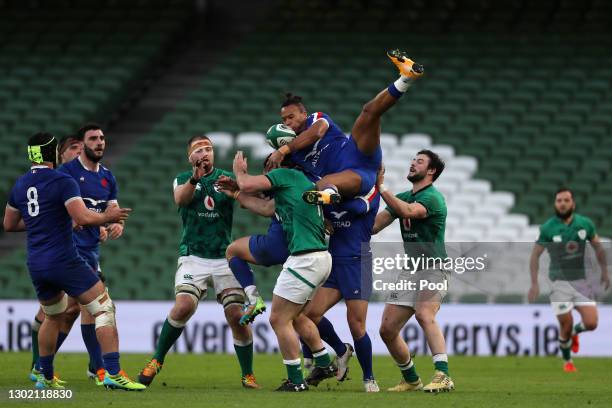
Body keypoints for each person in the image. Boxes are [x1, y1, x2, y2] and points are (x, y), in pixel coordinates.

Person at [3, 132, 142, 390]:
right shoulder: (62, 180)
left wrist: (41, 222)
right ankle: (111, 372)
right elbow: (85, 218)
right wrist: (108, 217)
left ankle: (44, 376)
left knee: (53, 316)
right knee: (103, 307)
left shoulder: (21, 184)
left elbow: (9, 224)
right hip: (64, 259)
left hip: (36, 262)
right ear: (52, 153)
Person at [138, 135, 258, 389]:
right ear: (190, 157)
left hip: (224, 257)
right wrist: (195, 177)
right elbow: (181, 199)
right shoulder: (183, 179)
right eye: (198, 150)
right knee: (182, 307)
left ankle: (248, 375)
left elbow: (250, 202)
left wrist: (239, 187)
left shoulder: (226, 178)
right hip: (194, 257)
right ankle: (157, 360)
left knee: (236, 316)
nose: (204, 153)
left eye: (208, 149)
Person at [233, 150, 337, 391]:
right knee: (297, 316)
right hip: (320, 257)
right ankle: (323, 362)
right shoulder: (298, 184)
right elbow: (264, 206)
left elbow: (248, 183)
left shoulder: (286, 175)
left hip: (305, 258)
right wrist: (237, 193)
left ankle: (296, 380)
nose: (267, 174)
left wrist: (239, 171)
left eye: (268, 167)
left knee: (279, 319)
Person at [268, 50, 423, 205]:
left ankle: (406, 77)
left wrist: (283, 150)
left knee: (369, 112)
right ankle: (329, 196)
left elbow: (317, 132)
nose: (287, 122)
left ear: (303, 114)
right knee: (321, 184)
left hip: (356, 150)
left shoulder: (316, 119)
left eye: (291, 117)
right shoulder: (294, 156)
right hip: (355, 175)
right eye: (284, 120)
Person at [372, 150, 454, 393]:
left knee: (424, 314)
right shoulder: (403, 197)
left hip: (434, 268)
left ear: (431, 171)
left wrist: (381, 187)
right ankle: (411, 379)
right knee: (387, 329)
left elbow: (408, 211)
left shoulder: (433, 198)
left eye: (419, 161)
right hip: (411, 270)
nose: (412, 164)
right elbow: (374, 227)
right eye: (413, 160)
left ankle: (444, 375)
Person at [58, 124, 124, 384]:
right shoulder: (67, 174)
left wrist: (115, 224)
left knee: (71, 310)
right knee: (94, 306)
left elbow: (113, 211)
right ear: (84, 144)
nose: (99, 142)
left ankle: (43, 366)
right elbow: (58, 210)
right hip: (69, 250)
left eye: (102, 138)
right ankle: (102, 370)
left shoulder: (108, 177)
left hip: (91, 251)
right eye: (93, 139)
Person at [301, 186, 381, 392]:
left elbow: (356, 207)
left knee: (356, 325)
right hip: (334, 264)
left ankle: (369, 378)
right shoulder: (330, 198)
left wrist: (330, 200)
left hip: (357, 264)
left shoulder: (370, 193)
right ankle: (341, 349)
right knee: (309, 314)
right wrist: (321, 218)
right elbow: (311, 210)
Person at [528, 188, 609, 372]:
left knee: (591, 323)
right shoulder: (548, 228)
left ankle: (574, 334)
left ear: (573, 203)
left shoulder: (585, 224)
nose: (562, 203)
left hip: (581, 281)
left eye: (566, 200)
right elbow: (534, 256)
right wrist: (534, 283)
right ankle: (567, 362)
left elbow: (598, 248)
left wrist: (604, 271)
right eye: (559, 200)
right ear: (555, 204)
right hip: (559, 283)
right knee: (566, 323)